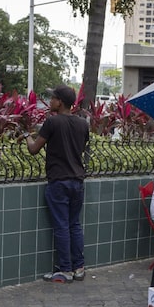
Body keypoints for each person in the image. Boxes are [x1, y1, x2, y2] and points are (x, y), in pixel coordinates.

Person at [21, 84, 89, 283]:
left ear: (60, 102)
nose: (50, 101)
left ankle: (65, 270)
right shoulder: (83, 124)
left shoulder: (52, 122)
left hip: (58, 181)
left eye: (53, 99)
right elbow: (79, 148)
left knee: (61, 226)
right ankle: (79, 268)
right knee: (74, 224)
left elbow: (34, 149)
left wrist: (27, 136)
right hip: (78, 181)